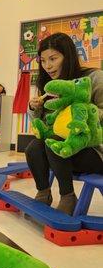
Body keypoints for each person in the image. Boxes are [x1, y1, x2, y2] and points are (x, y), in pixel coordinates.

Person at [25, 32, 103, 215]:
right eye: (43, 61)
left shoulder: (94, 78)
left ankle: (68, 196)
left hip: (94, 151)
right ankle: (43, 192)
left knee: (54, 142)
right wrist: (33, 108)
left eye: (53, 58)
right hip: (61, 153)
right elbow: (43, 127)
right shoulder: (51, 85)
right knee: (34, 147)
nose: (48, 66)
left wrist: (79, 109)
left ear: (67, 57)